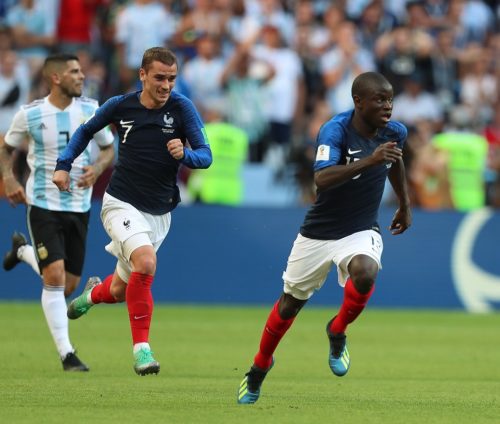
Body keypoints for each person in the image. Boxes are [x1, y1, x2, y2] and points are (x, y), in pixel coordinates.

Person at [237, 71, 412, 404]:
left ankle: (338, 329)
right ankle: (259, 367)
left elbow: (395, 163)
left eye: (390, 99)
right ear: (358, 101)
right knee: (290, 305)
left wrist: (404, 204)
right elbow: (322, 179)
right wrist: (368, 160)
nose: (387, 106)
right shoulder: (335, 131)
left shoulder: (394, 132)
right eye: (379, 99)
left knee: (366, 272)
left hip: (360, 228)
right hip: (319, 232)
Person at [52, 47, 213, 376]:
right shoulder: (120, 106)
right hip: (120, 202)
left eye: (171, 78)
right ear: (142, 75)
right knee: (146, 262)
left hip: (160, 213)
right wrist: (63, 165)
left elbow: (206, 156)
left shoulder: (182, 108)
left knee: (121, 290)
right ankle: (142, 351)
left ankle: (91, 296)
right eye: (159, 78)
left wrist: (185, 154)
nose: (166, 85)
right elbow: (85, 131)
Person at [0, 53, 115, 371]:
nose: (82, 76)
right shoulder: (32, 114)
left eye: (82, 71)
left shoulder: (92, 110)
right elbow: (6, 148)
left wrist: (97, 167)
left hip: (79, 206)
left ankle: (23, 252)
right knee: (54, 277)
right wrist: (9, 179)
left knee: (68, 286)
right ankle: (68, 355)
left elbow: (108, 148)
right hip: (43, 204)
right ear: (55, 78)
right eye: (75, 72)